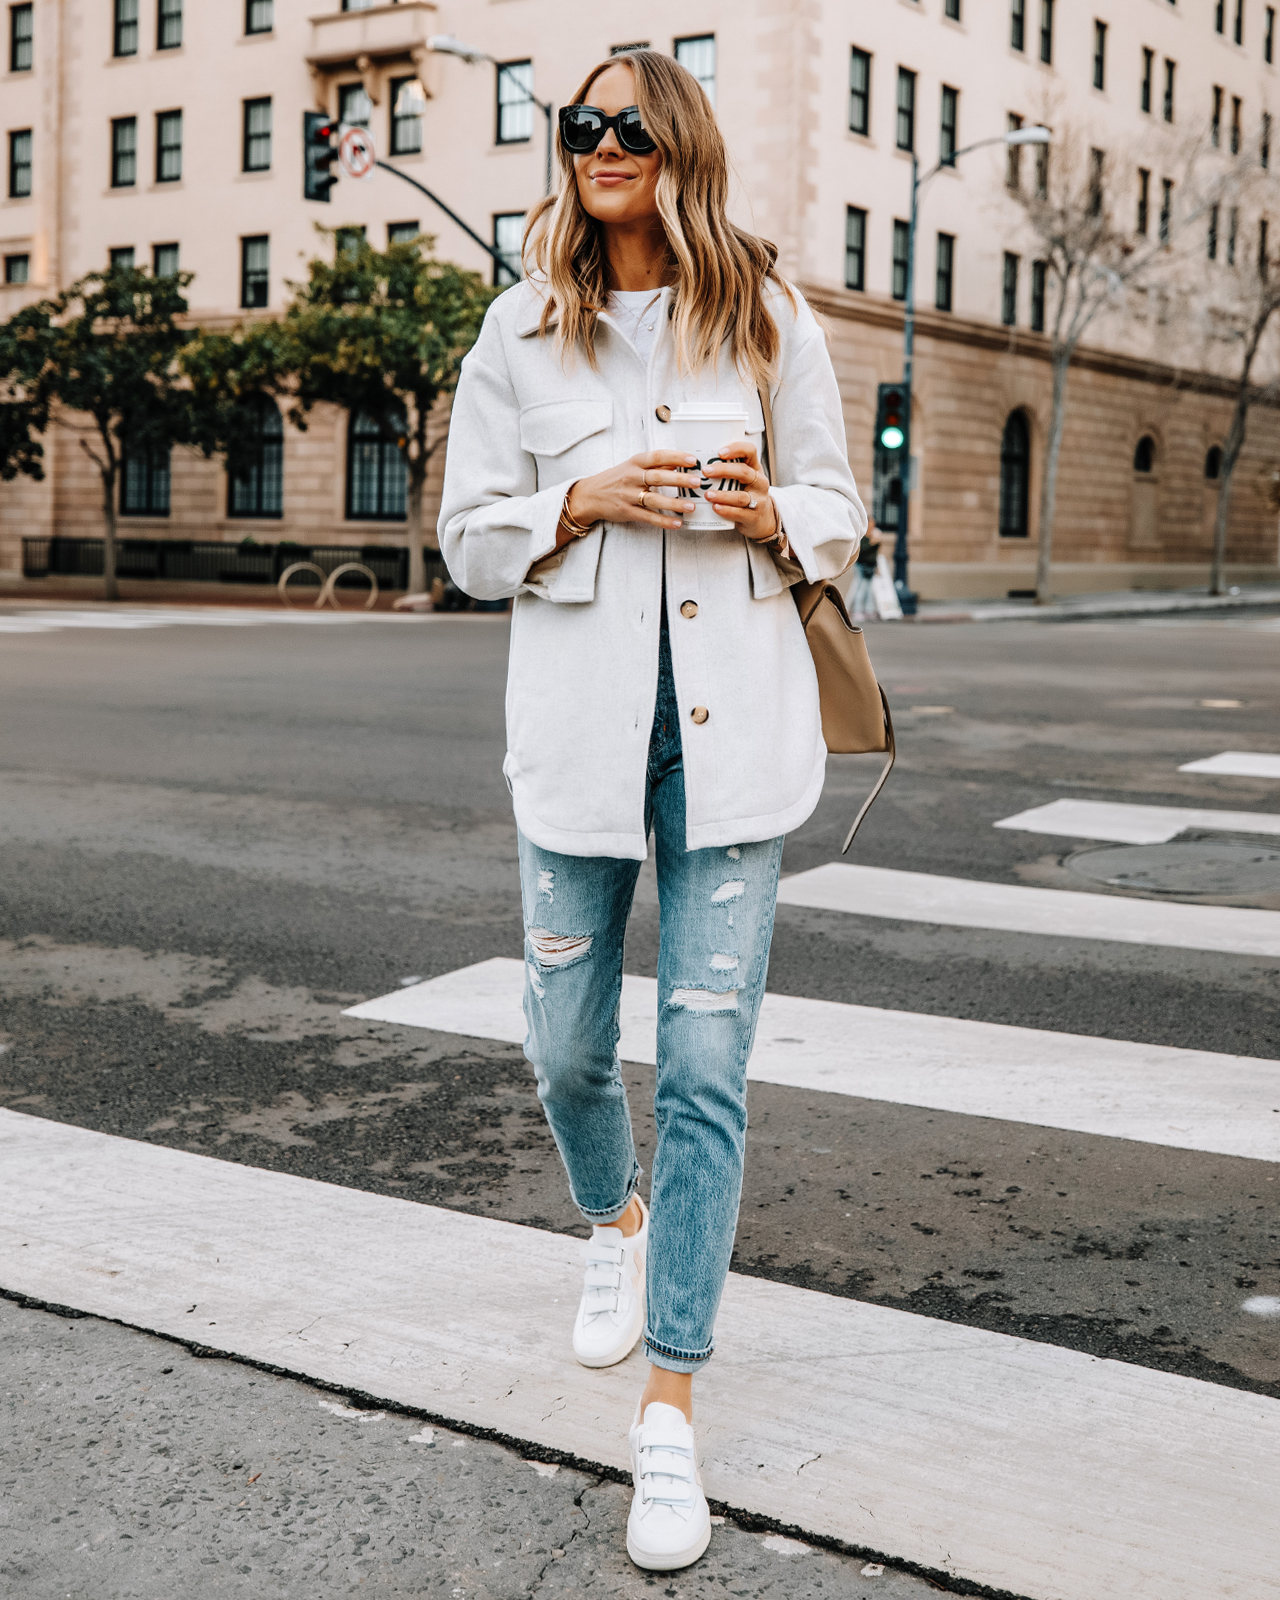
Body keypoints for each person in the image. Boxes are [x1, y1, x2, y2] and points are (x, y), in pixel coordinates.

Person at [439, 48, 865, 1574]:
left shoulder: (768, 316)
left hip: (731, 745)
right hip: (578, 747)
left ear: (676, 144)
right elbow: (466, 540)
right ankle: (608, 1218)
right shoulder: (519, 330)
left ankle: (670, 1409)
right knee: (563, 1047)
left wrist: (779, 514)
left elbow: (838, 502)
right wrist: (577, 502)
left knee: (701, 1064)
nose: (601, 143)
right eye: (582, 126)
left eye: (628, 123)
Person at [850, 518, 882, 621]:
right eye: (871, 524)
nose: (872, 526)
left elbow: (875, 554)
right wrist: (872, 543)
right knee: (861, 588)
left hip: (871, 565)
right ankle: (857, 611)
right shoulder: (862, 536)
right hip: (862, 565)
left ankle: (869, 610)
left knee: (869, 589)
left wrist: (877, 566)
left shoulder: (874, 536)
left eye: (874, 524)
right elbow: (861, 551)